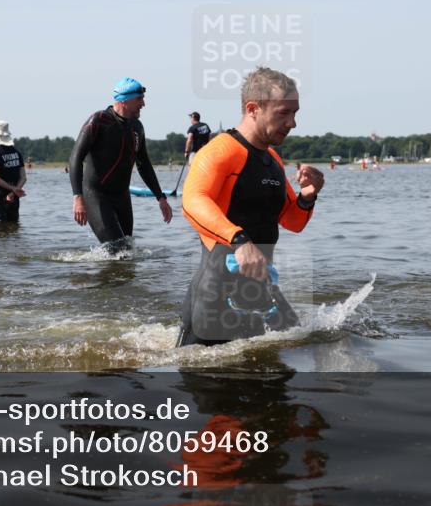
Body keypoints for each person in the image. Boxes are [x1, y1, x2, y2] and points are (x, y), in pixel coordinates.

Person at [177, 67, 324, 346]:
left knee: (297, 354)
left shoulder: (272, 159)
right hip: (216, 295)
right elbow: (192, 201)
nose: (292, 123)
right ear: (253, 108)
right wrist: (240, 241)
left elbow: (292, 221)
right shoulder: (221, 150)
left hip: (255, 288)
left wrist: (307, 196)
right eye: (283, 113)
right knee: (208, 382)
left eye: (295, 113)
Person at [69, 77, 173, 251]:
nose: (144, 103)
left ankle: (116, 278)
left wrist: (160, 198)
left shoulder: (137, 127)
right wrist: (78, 198)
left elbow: (144, 164)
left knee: (127, 251)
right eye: (139, 99)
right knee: (116, 250)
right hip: (96, 195)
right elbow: (75, 158)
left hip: (122, 197)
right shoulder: (99, 121)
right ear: (125, 100)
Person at [0, 120, 26, 223]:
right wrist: (14, 191)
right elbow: (23, 178)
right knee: (14, 227)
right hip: (14, 197)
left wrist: (12, 189)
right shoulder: (17, 152)